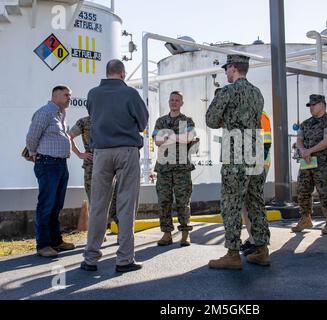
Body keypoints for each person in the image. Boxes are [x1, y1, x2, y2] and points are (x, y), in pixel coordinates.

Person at [81, 59, 149, 273]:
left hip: (100, 152)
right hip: (126, 151)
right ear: (122, 73)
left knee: (98, 205)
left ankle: (90, 258)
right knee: (126, 205)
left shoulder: (93, 94)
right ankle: (124, 259)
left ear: (107, 72)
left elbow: (93, 118)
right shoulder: (130, 94)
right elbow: (143, 122)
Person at [206, 54, 271, 270]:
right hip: (256, 150)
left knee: (231, 202)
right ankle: (262, 250)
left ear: (233, 68)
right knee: (255, 201)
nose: (226, 72)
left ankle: (232, 254)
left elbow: (211, 119)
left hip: (236, 153)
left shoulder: (227, 91)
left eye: (227, 69)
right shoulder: (257, 93)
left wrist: (227, 119)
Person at [25, 85, 76, 258]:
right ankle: (43, 245)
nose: (69, 98)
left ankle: (56, 242)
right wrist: (33, 154)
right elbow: (32, 137)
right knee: (46, 205)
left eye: (70, 95)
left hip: (60, 164)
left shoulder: (61, 114)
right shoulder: (45, 112)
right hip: (47, 164)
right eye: (66, 95)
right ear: (55, 96)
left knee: (56, 205)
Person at [152, 91, 196, 247]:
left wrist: (169, 137)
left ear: (181, 103)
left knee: (183, 202)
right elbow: (157, 140)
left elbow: (189, 138)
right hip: (164, 169)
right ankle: (166, 234)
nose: (174, 102)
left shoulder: (187, 121)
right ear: (168, 102)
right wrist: (178, 138)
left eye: (177, 100)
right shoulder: (161, 121)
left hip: (182, 169)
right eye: (171, 100)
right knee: (164, 201)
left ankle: (185, 234)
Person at [291, 94, 327, 235]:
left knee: (326, 192)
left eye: (314, 105)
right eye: (310, 105)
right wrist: (303, 150)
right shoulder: (306, 123)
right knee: (303, 190)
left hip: (325, 164)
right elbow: (299, 139)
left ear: (322, 105)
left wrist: (309, 151)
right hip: (307, 163)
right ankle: (305, 218)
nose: (311, 108)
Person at [69, 116, 119, 238]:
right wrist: (80, 154)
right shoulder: (84, 122)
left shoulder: (111, 118)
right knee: (95, 200)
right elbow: (68, 136)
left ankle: (121, 232)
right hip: (92, 166)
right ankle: (99, 235)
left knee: (115, 199)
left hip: (111, 165)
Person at [240, 111, 272, 256]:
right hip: (248, 165)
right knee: (246, 203)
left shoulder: (260, 115)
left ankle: (258, 241)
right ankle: (253, 237)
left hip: (257, 166)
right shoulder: (240, 115)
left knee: (252, 202)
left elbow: (265, 143)